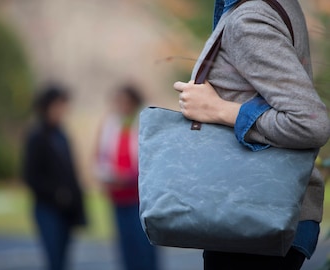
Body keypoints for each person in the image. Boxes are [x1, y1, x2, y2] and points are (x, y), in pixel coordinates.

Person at [173, 0, 330, 269]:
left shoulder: (249, 18)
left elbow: (311, 122)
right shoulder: (271, 6)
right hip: (260, 214)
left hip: (251, 220)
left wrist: (219, 109)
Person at [94, 83, 159, 270]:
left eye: (124, 101)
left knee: (144, 247)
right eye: (117, 101)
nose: (120, 106)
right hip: (118, 195)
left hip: (140, 198)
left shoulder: (143, 122)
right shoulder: (110, 125)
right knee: (126, 247)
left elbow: (150, 158)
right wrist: (105, 174)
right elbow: (101, 155)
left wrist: (129, 176)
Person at [22, 83, 87, 270]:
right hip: (47, 208)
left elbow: (71, 172)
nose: (62, 111)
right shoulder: (37, 137)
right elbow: (30, 175)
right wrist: (56, 193)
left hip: (66, 210)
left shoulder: (62, 135)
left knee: (64, 260)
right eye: (58, 105)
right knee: (54, 259)